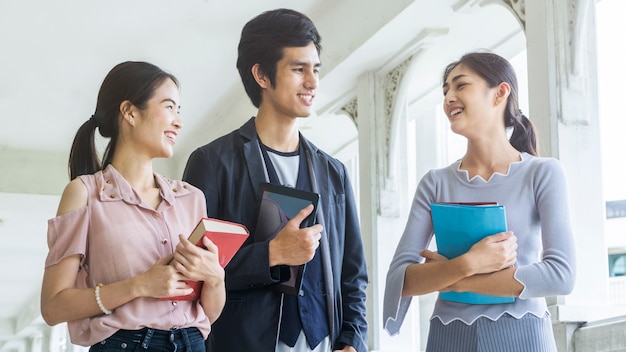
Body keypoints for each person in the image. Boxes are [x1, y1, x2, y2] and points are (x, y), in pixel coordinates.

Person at [182, 8, 368, 352]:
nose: (312, 82)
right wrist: (271, 253)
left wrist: (352, 340)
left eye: (315, 70)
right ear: (262, 76)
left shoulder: (334, 172)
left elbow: (353, 273)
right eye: (298, 69)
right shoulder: (211, 163)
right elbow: (192, 273)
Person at [382, 52, 576, 351]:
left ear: (500, 93)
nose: (449, 97)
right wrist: (469, 263)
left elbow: (560, 275)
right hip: (450, 337)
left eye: (461, 86)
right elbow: (400, 280)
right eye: (445, 90)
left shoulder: (543, 173)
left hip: (524, 335)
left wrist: (458, 279)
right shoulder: (435, 183)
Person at [40, 61, 225, 352]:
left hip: (192, 343)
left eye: (179, 111)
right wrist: (140, 285)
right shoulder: (84, 193)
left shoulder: (192, 199)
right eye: (169, 107)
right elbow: (53, 307)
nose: (178, 122)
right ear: (129, 112)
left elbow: (208, 314)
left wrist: (216, 278)